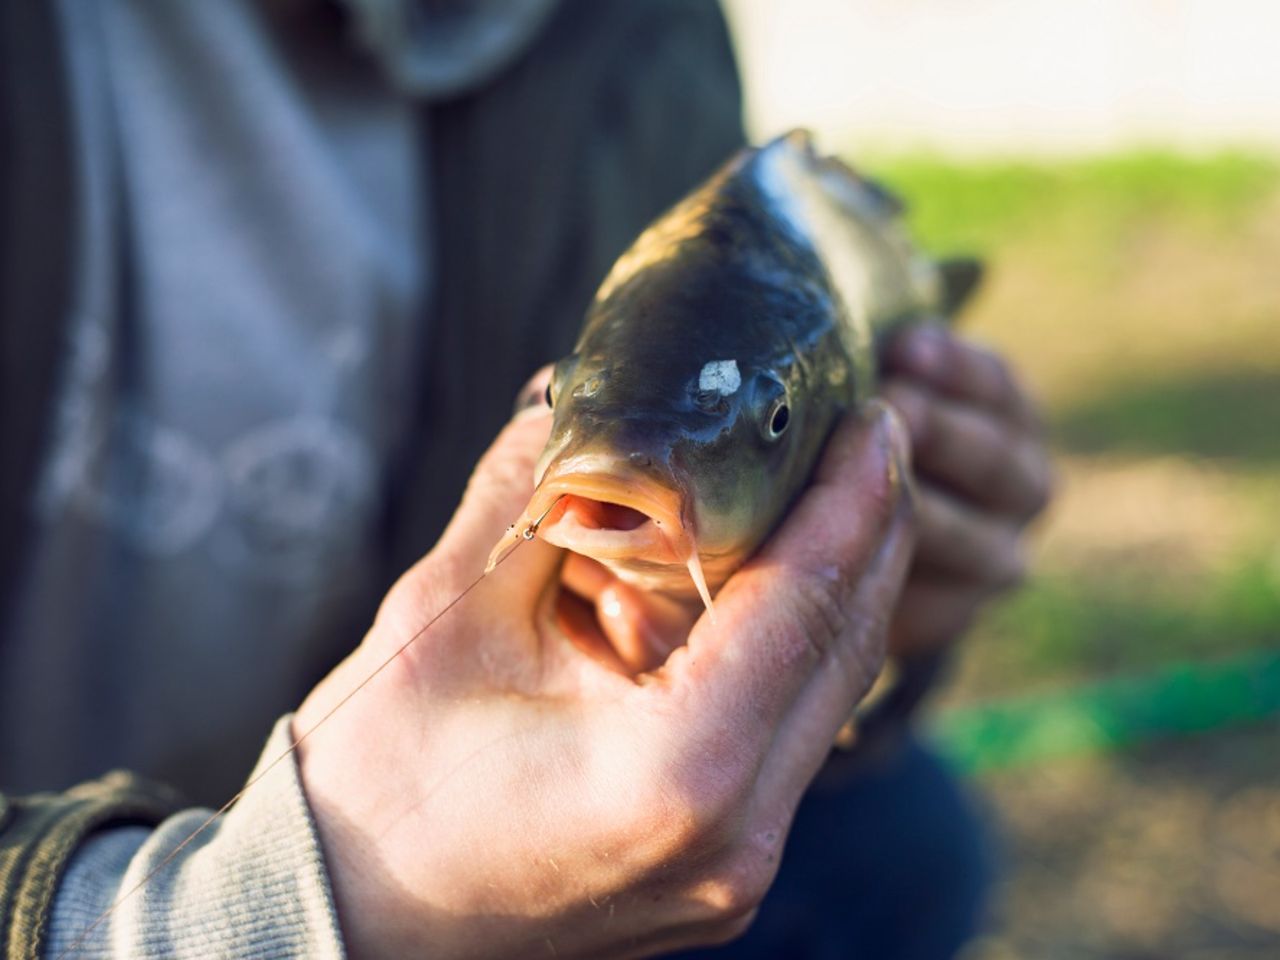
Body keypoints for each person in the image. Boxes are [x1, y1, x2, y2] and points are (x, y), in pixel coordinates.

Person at [0, 0, 1052, 957]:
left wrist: (847, 653)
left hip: (410, 791)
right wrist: (257, 916)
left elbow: (692, 397)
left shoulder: (636, 35)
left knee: (891, 847)